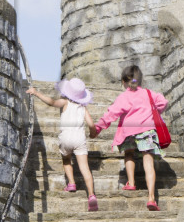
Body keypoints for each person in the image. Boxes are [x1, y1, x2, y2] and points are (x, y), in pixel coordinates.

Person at [92, 64, 167, 211]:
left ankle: (131, 182)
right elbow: (163, 102)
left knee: (129, 154)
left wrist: (98, 127)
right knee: (149, 163)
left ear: (123, 81)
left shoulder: (124, 96)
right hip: (147, 130)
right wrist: (152, 112)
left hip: (129, 131)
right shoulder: (149, 93)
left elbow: (112, 113)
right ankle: (151, 198)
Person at [27, 78, 98, 211]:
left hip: (66, 137)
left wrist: (36, 93)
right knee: (85, 168)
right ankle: (92, 195)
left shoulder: (65, 102)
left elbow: (52, 102)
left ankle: (71, 183)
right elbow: (91, 124)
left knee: (66, 159)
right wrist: (93, 133)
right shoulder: (83, 108)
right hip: (79, 139)